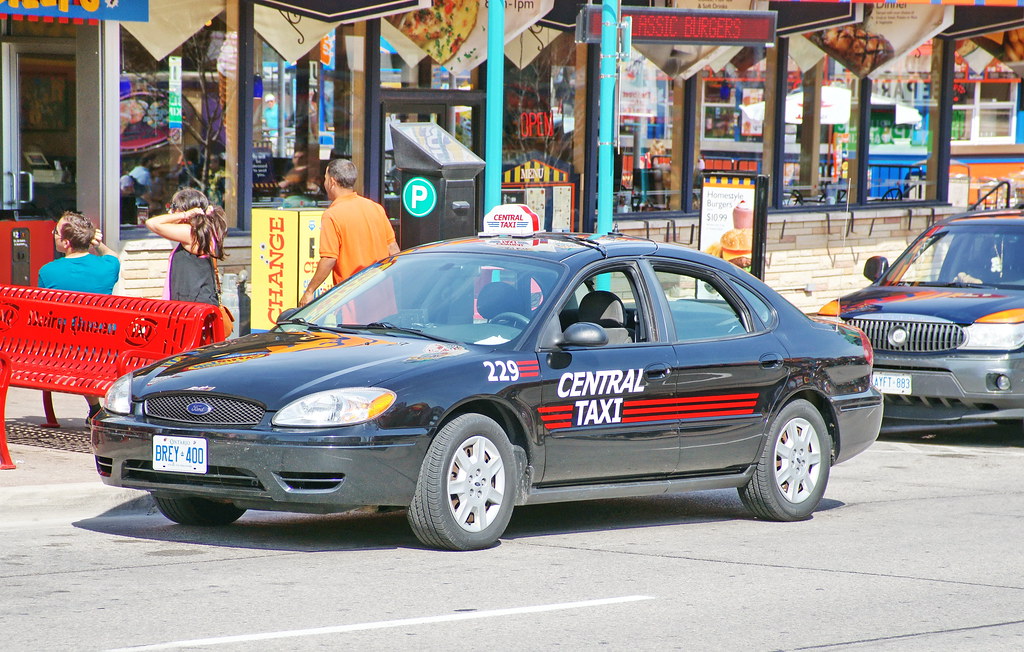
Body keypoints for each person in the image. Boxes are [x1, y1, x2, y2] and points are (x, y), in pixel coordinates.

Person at [38, 211, 121, 419]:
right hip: (106, 346)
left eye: (55, 232)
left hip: (65, 351)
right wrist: (97, 244)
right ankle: (96, 409)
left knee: (77, 347)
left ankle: (95, 408)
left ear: (66, 243)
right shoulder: (108, 267)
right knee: (87, 347)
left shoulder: (48, 271)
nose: (53, 234)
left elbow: (41, 315)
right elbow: (112, 255)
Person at [299, 159, 399, 307]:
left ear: (332, 182)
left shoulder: (332, 215)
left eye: (325, 179)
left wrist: (309, 291)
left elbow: (329, 258)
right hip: (382, 295)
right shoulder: (375, 208)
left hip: (352, 298)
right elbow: (393, 249)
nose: (325, 183)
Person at [144, 187, 226, 306]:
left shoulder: (191, 233)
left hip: (193, 308)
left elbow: (152, 223)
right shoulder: (203, 232)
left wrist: (184, 214)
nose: (170, 212)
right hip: (198, 304)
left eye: (173, 208)